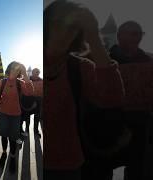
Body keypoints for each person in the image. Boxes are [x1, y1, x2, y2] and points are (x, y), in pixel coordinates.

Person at [44, 1, 125, 180]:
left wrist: (94, 38)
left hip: (68, 164)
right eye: (58, 23)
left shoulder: (81, 67)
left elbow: (113, 98)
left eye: (72, 27)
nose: (65, 32)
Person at [109, 21, 153, 180]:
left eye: (139, 33)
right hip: (111, 123)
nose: (136, 37)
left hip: (140, 124)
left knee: (136, 168)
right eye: (132, 33)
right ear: (119, 35)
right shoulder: (106, 60)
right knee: (104, 166)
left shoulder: (148, 61)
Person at [0, 61, 34, 173]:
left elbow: (30, 92)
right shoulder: (2, 82)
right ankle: (4, 153)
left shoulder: (20, 82)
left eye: (18, 69)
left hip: (16, 115)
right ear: (9, 69)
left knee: (13, 138)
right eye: (14, 68)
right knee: (4, 136)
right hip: (3, 114)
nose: (15, 71)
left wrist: (25, 73)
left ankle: (13, 157)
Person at [30, 68, 43, 137]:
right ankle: (26, 129)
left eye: (37, 73)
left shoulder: (41, 81)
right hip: (29, 100)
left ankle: (35, 130)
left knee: (37, 116)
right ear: (32, 73)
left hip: (39, 100)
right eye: (35, 72)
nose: (36, 74)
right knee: (27, 115)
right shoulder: (28, 80)